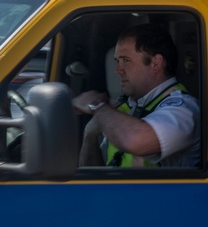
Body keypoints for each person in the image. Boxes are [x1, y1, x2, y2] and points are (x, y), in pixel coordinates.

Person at [72, 23, 200, 168]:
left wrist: (96, 105)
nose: (118, 70)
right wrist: (90, 136)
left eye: (126, 60)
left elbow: (136, 140)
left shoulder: (184, 109)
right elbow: (94, 180)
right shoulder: (124, 110)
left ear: (155, 63)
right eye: (117, 61)